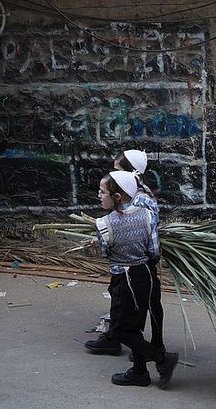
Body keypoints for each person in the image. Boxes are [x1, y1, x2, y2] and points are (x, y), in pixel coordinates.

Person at [94, 170, 177, 388]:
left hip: (125, 280)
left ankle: (162, 359)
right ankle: (140, 373)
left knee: (120, 330)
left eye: (102, 192)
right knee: (136, 325)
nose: (99, 196)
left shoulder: (103, 224)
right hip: (146, 276)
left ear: (117, 196)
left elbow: (105, 253)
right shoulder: (147, 215)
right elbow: (154, 251)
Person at [85, 150, 165, 362]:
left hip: (138, 265)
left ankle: (154, 349)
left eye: (117, 170)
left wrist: (107, 237)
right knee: (127, 303)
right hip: (133, 264)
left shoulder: (142, 200)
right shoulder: (132, 195)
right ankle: (124, 344)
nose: (113, 174)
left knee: (143, 306)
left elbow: (147, 236)